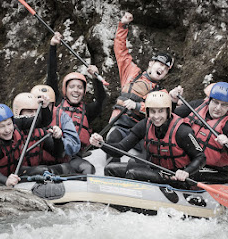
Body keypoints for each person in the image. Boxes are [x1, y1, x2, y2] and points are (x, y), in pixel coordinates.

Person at [107, 12, 183, 162]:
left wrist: (136, 105)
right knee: (113, 138)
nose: (161, 69)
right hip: (119, 124)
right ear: (151, 63)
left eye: (165, 69)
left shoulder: (162, 93)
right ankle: (111, 170)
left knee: (150, 152)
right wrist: (123, 25)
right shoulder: (131, 72)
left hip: (140, 131)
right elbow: (120, 50)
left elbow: (161, 114)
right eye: (159, 64)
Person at [89, 91, 205, 188]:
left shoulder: (182, 131)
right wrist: (102, 144)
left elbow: (201, 157)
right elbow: (121, 149)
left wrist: (186, 172)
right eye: (153, 111)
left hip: (175, 177)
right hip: (155, 170)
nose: (156, 116)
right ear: (148, 112)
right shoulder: (145, 124)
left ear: (168, 111)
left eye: (161, 111)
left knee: (133, 173)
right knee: (110, 169)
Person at [46, 32, 106, 174]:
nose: (76, 91)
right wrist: (53, 47)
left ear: (84, 91)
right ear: (65, 90)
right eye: (72, 87)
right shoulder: (57, 102)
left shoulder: (87, 111)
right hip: (54, 153)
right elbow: (51, 76)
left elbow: (102, 101)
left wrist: (96, 79)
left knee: (88, 168)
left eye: (80, 87)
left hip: (74, 157)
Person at [0, 101, 57, 187]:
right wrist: (6, 181)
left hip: (14, 174)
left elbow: (42, 122)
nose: (7, 130)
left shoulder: (15, 122)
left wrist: (44, 107)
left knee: (42, 170)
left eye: (9, 124)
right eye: (2, 126)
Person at [174, 82, 228, 183]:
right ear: (209, 100)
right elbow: (170, 117)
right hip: (190, 159)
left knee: (187, 174)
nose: (218, 108)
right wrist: (172, 100)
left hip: (215, 170)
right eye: (215, 102)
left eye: (223, 105)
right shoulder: (198, 105)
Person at [12, 92, 80, 175]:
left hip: (35, 170)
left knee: (66, 167)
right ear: (18, 112)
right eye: (29, 111)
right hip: (16, 173)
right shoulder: (10, 132)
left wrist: (57, 139)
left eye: (36, 111)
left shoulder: (39, 131)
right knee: (43, 170)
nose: (34, 114)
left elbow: (59, 154)